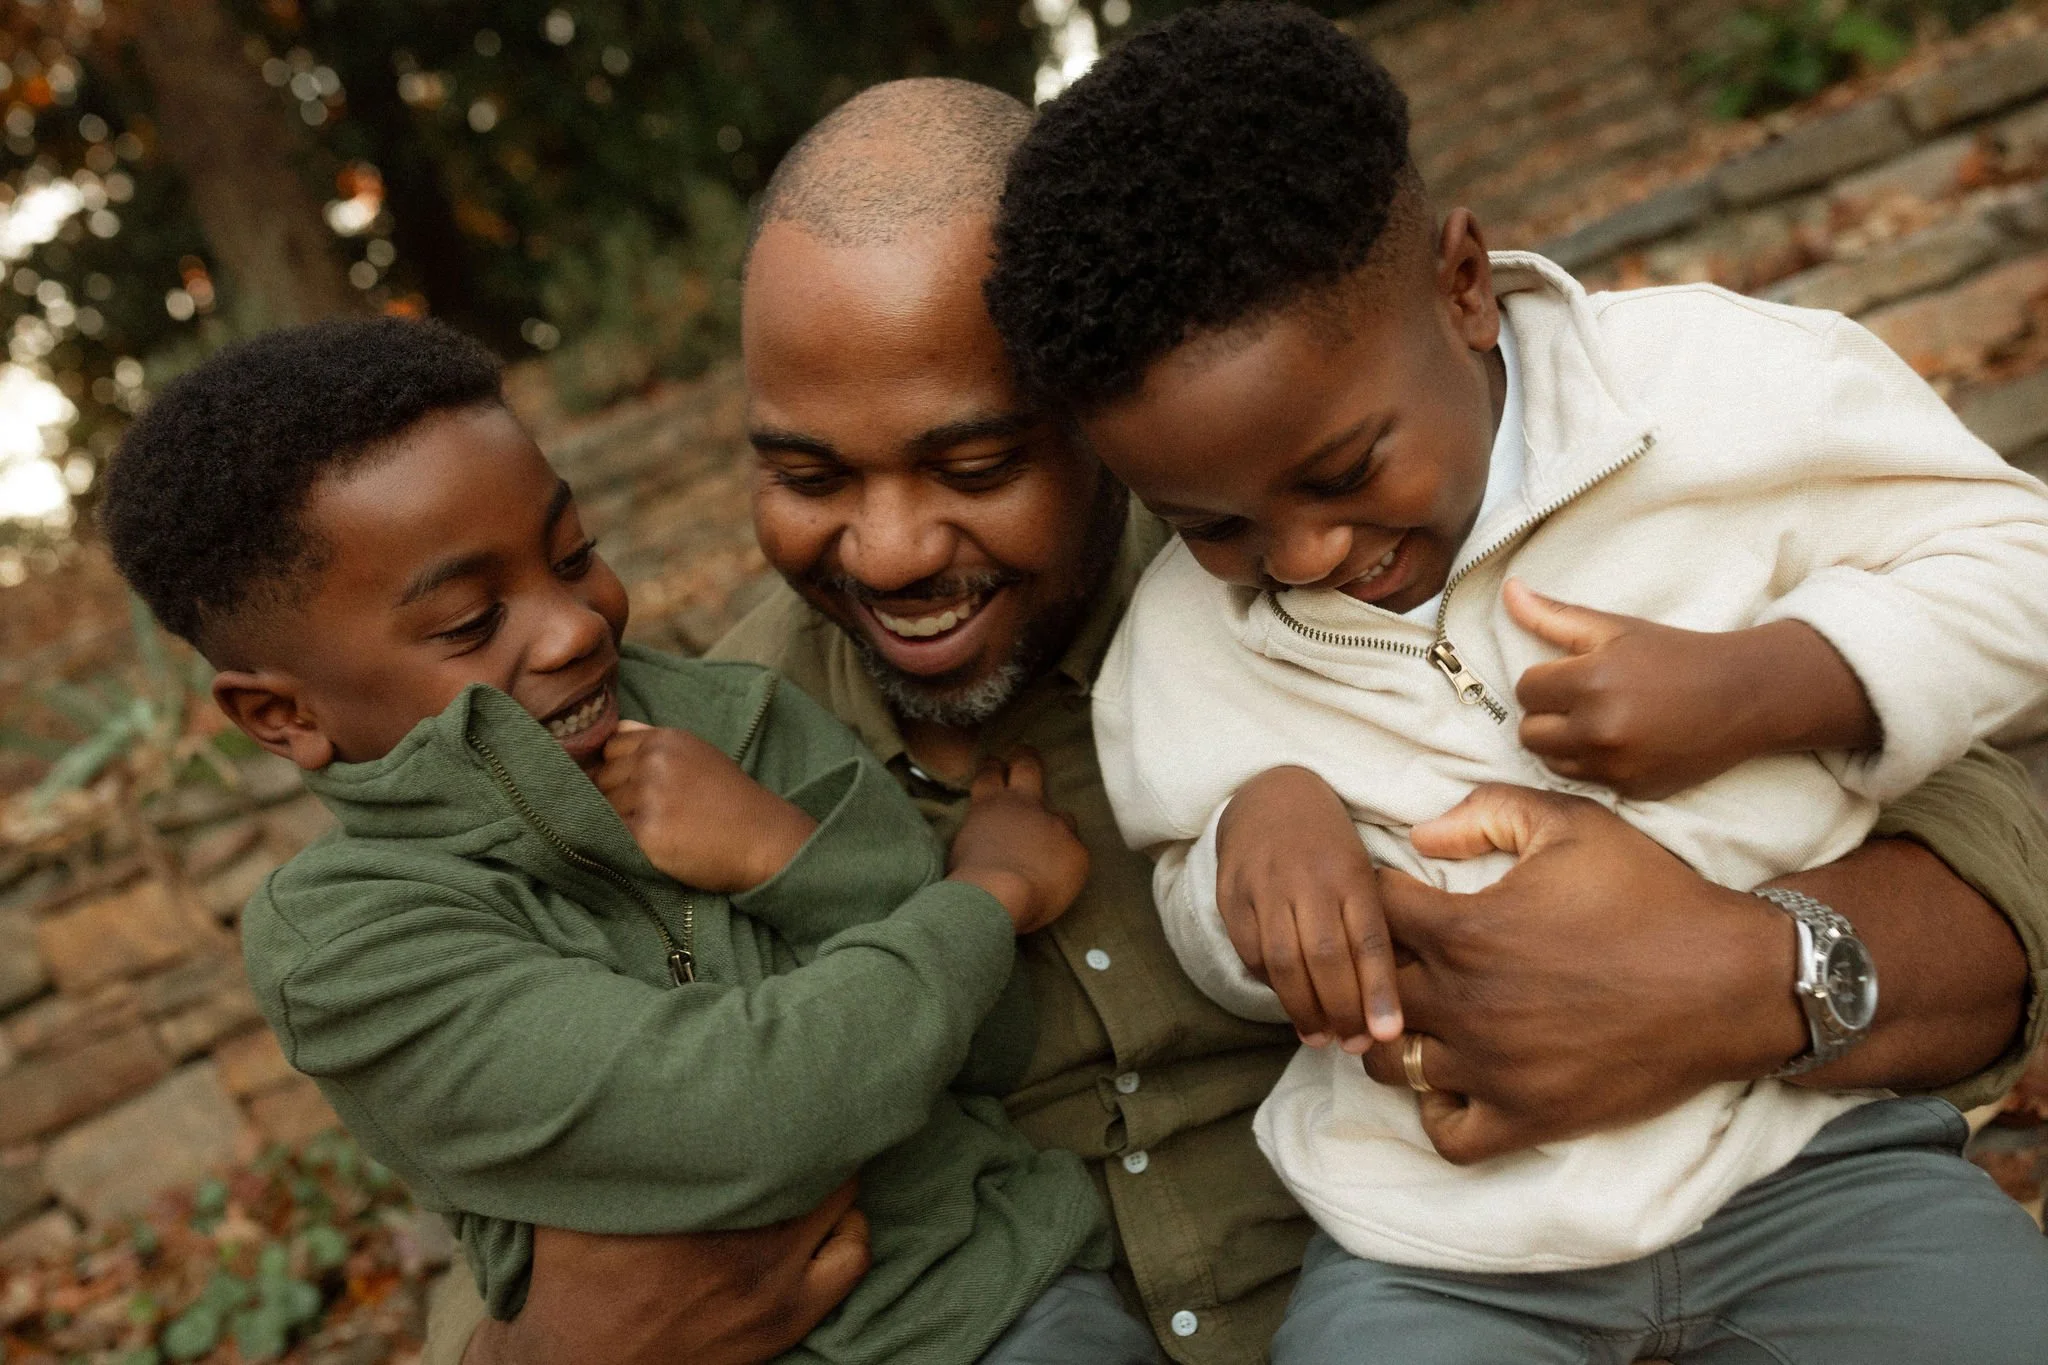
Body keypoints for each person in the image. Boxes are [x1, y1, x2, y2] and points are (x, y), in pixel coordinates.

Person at [429, 78, 2048, 1365]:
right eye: (802, 471)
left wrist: (1740, 969)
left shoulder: (1362, 525)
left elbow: (1989, 828)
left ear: (1100, 408)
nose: (893, 547)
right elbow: (506, 1142)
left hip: (1714, 1211)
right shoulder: (702, 744)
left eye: (975, 463)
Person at [981, 6, 2048, 1363]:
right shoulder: (1186, 642)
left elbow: (2019, 559)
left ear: (1465, 283)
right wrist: (1256, 854)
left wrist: (1776, 680)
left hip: (1811, 1156)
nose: (1304, 555)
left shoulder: (1716, 395)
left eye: (1347, 467)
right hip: (1439, 1247)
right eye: (1214, 524)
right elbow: (1194, 884)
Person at [95, 316, 1167, 1364]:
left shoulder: (739, 719)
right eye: (470, 622)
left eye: (572, 555)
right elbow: (749, 1123)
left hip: (995, 1312)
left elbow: (990, 1038)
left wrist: (788, 855)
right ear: (283, 716)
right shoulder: (351, 942)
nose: (574, 625)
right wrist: (985, 894)